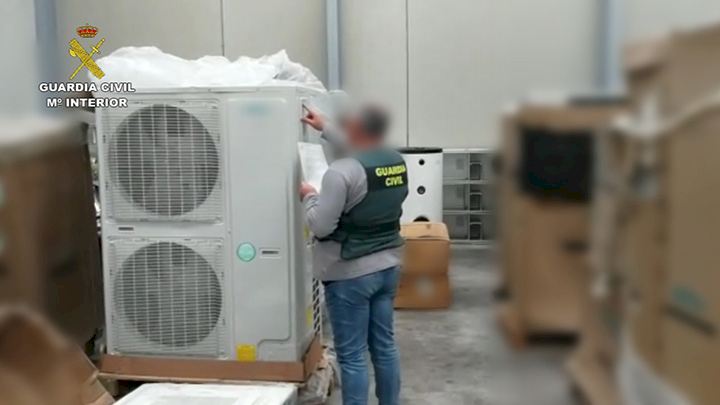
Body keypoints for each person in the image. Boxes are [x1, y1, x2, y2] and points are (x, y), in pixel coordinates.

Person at [300, 105, 407, 405]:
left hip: (350, 274)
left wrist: (310, 196)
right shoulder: (395, 161)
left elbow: (321, 226)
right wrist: (325, 126)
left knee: (352, 356)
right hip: (387, 267)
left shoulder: (340, 172)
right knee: (384, 347)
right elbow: (363, 161)